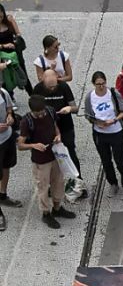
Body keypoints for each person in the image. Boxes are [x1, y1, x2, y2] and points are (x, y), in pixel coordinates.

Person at [17, 95, 74, 228]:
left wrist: (58, 135)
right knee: (43, 187)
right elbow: (20, 145)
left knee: (58, 182)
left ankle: (57, 207)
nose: (42, 115)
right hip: (40, 161)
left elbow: (55, 125)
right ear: (32, 111)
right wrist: (33, 145)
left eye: (42, 112)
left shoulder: (50, 111)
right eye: (38, 114)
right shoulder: (26, 121)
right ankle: (46, 213)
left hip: (55, 155)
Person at [32, 69, 85, 201]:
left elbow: (75, 107)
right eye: (50, 87)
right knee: (50, 158)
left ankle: (78, 183)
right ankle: (53, 185)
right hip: (47, 130)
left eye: (54, 85)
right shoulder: (38, 89)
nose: (53, 88)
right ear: (43, 80)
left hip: (65, 127)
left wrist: (69, 109)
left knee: (71, 154)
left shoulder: (63, 87)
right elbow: (34, 110)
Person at [83, 71, 123, 200]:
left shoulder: (113, 93)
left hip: (116, 132)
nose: (101, 86)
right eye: (98, 84)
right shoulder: (90, 97)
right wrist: (96, 122)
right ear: (93, 84)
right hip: (100, 134)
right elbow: (88, 115)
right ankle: (113, 183)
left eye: (103, 83)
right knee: (106, 161)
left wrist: (114, 120)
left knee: (120, 160)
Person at [0, 87, 23, 225]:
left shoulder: (2, 92)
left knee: (6, 166)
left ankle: (2, 195)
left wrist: (9, 116)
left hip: (7, 137)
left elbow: (9, 108)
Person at [0, 3, 32, 95]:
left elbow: (18, 34)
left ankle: (32, 95)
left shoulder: (9, 21)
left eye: (1, 13)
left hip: (15, 53)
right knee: (6, 77)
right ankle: (10, 97)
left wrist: (16, 40)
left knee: (23, 73)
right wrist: (4, 46)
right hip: (2, 56)